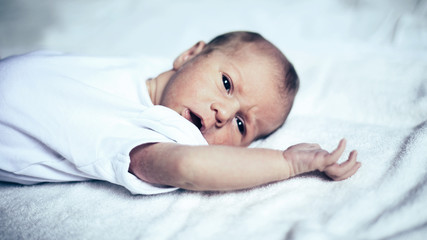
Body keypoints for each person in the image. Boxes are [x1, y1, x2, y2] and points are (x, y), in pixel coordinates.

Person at [0, 31, 361, 194]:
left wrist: (286, 163)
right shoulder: (145, 76)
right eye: (226, 83)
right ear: (190, 55)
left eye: (241, 125)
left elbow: (189, 167)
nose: (223, 113)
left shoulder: (160, 131)